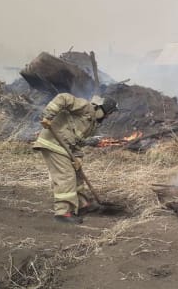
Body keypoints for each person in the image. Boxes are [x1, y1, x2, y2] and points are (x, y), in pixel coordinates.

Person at [33, 93, 118, 224]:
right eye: (108, 113)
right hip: (53, 143)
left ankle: (82, 205)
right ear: (101, 109)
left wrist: (78, 159)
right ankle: (62, 213)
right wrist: (48, 116)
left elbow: (78, 141)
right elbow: (63, 98)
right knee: (66, 176)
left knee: (77, 174)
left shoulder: (92, 124)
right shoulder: (86, 107)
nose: (107, 117)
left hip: (66, 147)